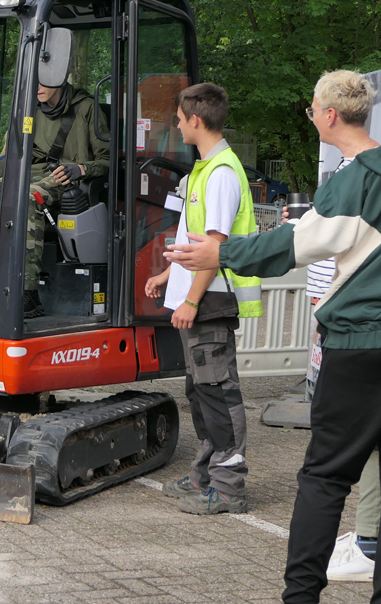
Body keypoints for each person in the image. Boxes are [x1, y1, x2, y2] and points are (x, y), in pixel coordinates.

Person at [165, 65, 381, 603]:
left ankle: (300, 597)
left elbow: (301, 243)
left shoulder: (371, 171)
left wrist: (225, 252)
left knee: (326, 477)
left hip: (363, 342)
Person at [143, 82, 260, 516]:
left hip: (211, 302)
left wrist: (190, 300)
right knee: (200, 390)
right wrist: (169, 274)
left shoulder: (222, 174)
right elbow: (194, 242)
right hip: (198, 298)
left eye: (178, 118)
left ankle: (229, 486)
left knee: (218, 391)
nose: (175, 124)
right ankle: (205, 474)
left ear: (195, 120)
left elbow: (215, 247)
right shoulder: (203, 170)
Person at [289, 71, 381, 582]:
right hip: (332, 315)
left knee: (351, 436)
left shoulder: (365, 170)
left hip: (349, 322)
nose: (311, 119)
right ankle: (367, 534)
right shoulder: (351, 168)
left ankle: (370, 543)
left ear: (329, 114)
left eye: (311, 111)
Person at [0, 79, 108, 318]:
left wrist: (82, 169)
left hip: (65, 178)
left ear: (58, 75)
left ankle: (28, 293)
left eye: (43, 80)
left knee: (29, 197)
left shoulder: (87, 108)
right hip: (30, 176)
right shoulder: (27, 111)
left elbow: (108, 160)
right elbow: (10, 163)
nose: (36, 86)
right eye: (34, 80)